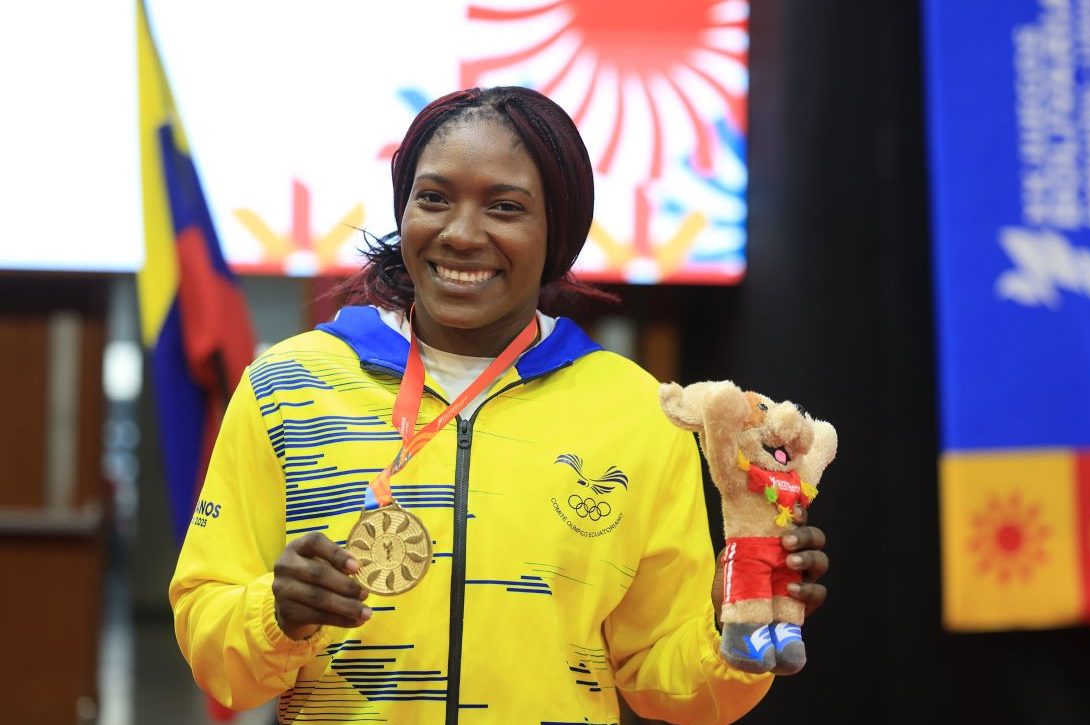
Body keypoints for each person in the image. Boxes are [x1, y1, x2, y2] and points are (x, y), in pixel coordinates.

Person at [170, 86, 829, 725]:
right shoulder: (286, 386)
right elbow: (214, 648)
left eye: (505, 207)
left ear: (557, 232)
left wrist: (738, 620)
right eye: (433, 198)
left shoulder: (635, 412)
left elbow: (669, 684)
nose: (460, 233)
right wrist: (275, 612)